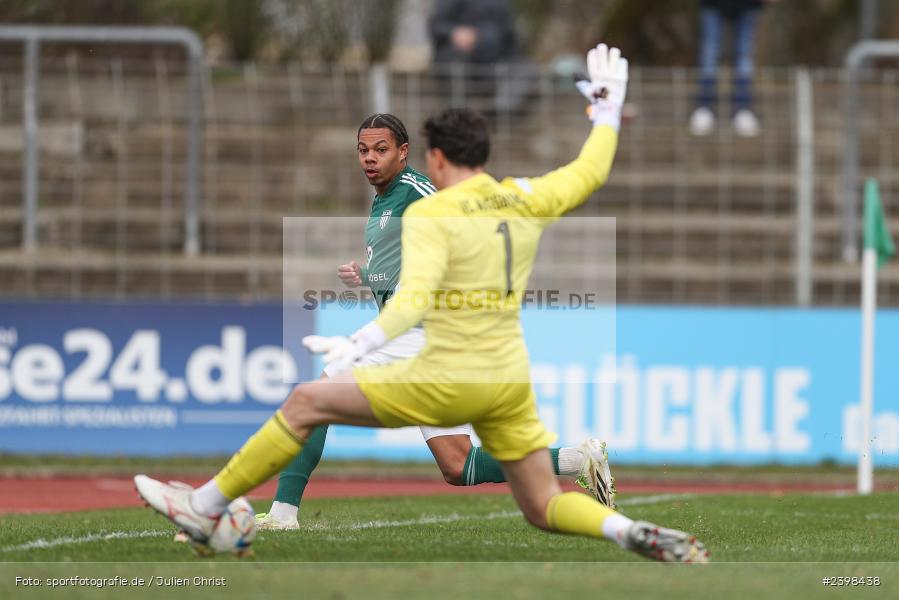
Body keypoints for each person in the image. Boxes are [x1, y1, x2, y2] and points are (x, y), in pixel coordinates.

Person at [135, 43, 709, 563]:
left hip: (445, 367)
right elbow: (590, 170)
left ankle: (206, 505)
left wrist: (359, 339)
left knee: (309, 399)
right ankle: (627, 530)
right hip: (507, 379)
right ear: (483, 153)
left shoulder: (431, 209)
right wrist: (606, 111)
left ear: (432, 158)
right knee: (533, 502)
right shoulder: (525, 196)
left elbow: (413, 300)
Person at [254, 113, 615, 531]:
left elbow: (460, 224)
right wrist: (367, 274)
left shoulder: (418, 191)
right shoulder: (385, 197)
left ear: (405, 152)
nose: (370, 158)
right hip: (422, 336)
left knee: (313, 400)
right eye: (363, 150)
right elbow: (411, 261)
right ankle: (578, 459)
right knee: (457, 465)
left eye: (381, 149)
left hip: (417, 331)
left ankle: (279, 514)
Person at [429, 0, 536, 119]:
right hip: (462, 65)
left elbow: (510, 38)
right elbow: (435, 26)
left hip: (494, 66)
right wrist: (455, 33)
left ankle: (496, 112)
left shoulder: (502, 4)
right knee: (455, 64)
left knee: (526, 68)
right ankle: (458, 117)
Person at [688, 0, 771, 137]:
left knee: (744, 55)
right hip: (712, 4)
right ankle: (704, 108)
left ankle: (743, 110)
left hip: (748, 4)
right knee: (710, 53)